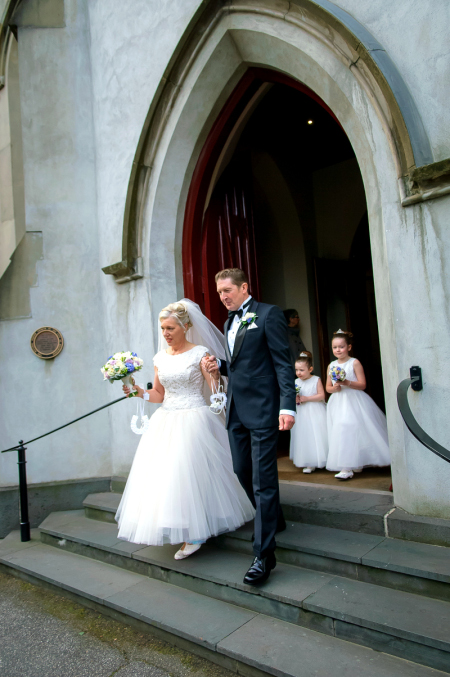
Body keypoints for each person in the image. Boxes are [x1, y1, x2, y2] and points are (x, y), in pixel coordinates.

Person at [115, 300, 255, 560]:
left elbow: (216, 390)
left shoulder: (200, 353)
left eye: (170, 328)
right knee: (170, 476)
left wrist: (214, 376)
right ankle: (182, 522)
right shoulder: (160, 358)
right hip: (166, 419)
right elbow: (158, 394)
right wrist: (137, 392)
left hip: (194, 417)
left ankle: (197, 532)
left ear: (186, 326)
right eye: (163, 328)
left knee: (191, 470)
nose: (166, 333)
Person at [203, 268, 296, 586]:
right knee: (242, 470)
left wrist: (287, 405)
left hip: (265, 409)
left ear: (244, 287)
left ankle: (264, 555)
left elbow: (283, 363)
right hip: (236, 411)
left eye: (227, 290)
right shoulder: (229, 321)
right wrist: (221, 366)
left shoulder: (268, 315)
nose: (223, 296)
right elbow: (242, 365)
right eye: (219, 292)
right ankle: (275, 517)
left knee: (263, 478)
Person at [325, 329, 390, 480]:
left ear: (349, 347)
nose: (338, 350)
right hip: (338, 401)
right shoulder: (331, 365)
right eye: (335, 347)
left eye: (341, 347)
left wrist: (347, 382)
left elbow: (362, 384)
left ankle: (350, 466)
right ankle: (348, 465)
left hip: (354, 400)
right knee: (341, 430)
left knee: (352, 428)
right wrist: (334, 388)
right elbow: (328, 387)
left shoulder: (354, 362)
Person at [290, 351, 328, 473]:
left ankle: (322, 459)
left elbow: (322, 396)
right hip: (302, 412)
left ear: (310, 369)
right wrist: (295, 399)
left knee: (317, 434)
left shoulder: (316, 380)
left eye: (301, 370)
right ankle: (309, 462)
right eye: (296, 370)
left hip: (315, 410)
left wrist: (307, 398)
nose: (298, 373)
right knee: (305, 435)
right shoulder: (296, 382)